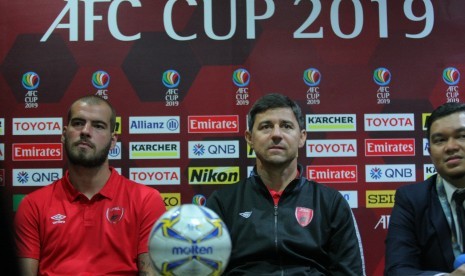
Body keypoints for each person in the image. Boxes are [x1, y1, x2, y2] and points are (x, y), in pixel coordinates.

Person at [206, 93, 366, 275]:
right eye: (266, 127)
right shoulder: (223, 203)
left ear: (302, 137)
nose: (276, 134)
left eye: (286, 126)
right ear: (250, 138)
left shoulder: (330, 203)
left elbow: (350, 272)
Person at [14, 95, 166, 276]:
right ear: (64, 135)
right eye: (78, 123)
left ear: (113, 141)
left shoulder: (146, 200)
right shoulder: (33, 205)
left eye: (98, 126)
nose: (85, 131)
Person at [385, 102, 465, 275]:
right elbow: (397, 270)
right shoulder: (411, 200)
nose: (451, 146)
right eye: (440, 140)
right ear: (429, 151)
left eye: (461, 136)